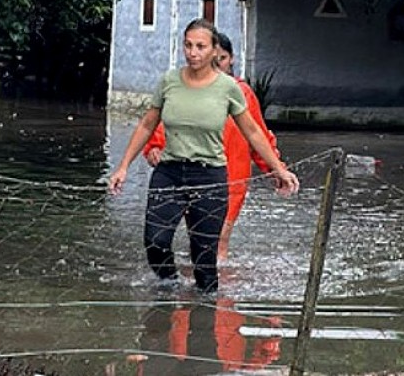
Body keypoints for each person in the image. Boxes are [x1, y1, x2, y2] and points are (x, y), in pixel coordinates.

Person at [108, 19, 299, 293]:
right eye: (188, 45)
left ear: (214, 51)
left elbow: (254, 132)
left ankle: (207, 312)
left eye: (200, 46)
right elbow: (149, 125)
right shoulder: (169, 82)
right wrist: (124, 166)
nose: (193, 53)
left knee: (205, 257)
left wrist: (277, 169)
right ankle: (169, 290)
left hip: (211, 176)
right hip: (170, 172)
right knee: (155, 241)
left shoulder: (231, 89)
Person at [142, 31, 281, 260]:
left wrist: (275, 169)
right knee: (199, 240)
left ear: (231, 59)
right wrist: (154, 148)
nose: (217, 64)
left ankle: (216, 282)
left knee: (217, 241)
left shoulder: (241, 93)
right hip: (192, 177)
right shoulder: (187, 88)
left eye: (222, 59)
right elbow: (169, 125)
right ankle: (195, 281)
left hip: (232, 180)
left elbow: (258, 135)